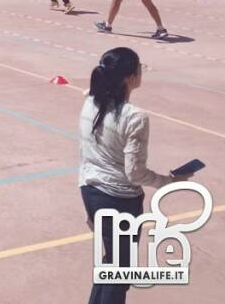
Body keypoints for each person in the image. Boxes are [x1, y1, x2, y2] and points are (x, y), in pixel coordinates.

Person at [79, 47, 192, 304]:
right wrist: (170, 181)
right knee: (120, 273)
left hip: (90, 190)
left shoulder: (90, 101)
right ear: (130, 77)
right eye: (140, 68)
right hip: (119, 200)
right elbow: (135, 173)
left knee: (111, 262)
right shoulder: (135, 117)